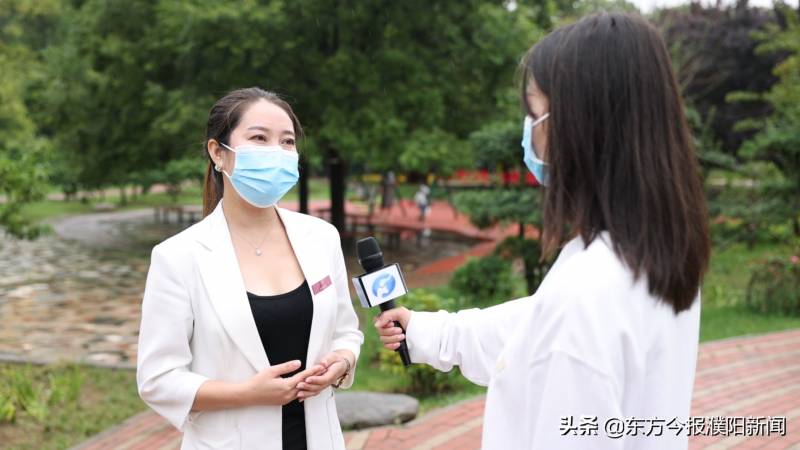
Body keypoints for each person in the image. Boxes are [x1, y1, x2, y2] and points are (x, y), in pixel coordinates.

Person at [375, 12, 710, 450]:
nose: (529, 134)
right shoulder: (656, 251)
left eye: (536, 114)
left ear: (580, 126)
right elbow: (534, 326)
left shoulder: (586, 295)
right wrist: (429, 333)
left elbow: (559, 331)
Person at [136, 87, 364, 450]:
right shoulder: (179, 257)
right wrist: (247, 393)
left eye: (287, 142)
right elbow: (158, 379)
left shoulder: (321, 238)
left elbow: (345, 331)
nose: (276, 152)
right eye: (259, 138)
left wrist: (342, 362)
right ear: (218, 153)